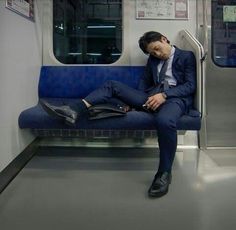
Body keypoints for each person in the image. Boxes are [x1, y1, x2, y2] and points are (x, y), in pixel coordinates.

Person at [40, 31, 196, 198]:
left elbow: (190, 86)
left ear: (164, 40)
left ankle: (164, 174)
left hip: (174, 99)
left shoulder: (186, 56)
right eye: (152, 52)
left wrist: (164, 96)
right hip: (151, 97)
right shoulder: (153, 59)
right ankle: (73, 110)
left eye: (157, 49)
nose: (156, 54)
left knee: (165, 122)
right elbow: (145, 82)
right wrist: (135, 101)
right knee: (112, 85)